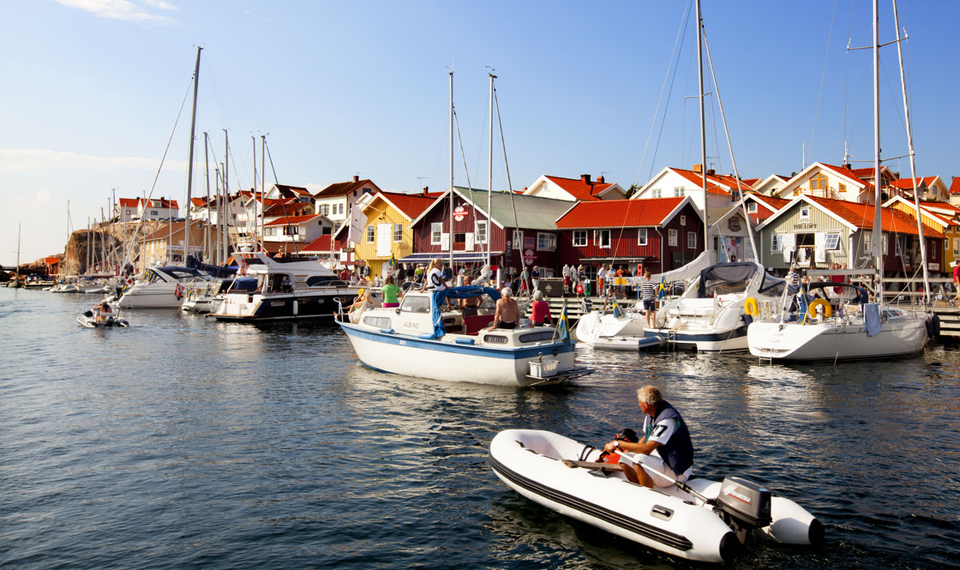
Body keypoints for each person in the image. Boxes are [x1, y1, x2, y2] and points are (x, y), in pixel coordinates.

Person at [603, 385, 694, 489]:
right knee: (625, 459)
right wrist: (628, 451)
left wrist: (617, 443)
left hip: (677, 471)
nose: (638, 404)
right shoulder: (652, 415)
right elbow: (646, 439)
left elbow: (647, 449)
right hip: (663, 461)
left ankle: (647, 495)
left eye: (639, 402)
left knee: (640, 460)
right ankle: (640, 489)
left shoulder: (667, 420)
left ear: (646, 405)